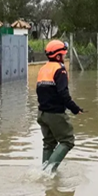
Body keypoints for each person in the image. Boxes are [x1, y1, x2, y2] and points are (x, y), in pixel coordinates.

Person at [36, 40, 83, 172]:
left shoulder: (43, 69)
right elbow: (63, 93)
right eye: (63, 54)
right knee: (67, 141)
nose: (64, 56)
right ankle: (48, 172)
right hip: (55, 114)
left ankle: (44, 172)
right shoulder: (59, 70)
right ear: (58, 56)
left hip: (42, 113)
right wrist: (75, 108)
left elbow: (39, 91)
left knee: (48, 143)